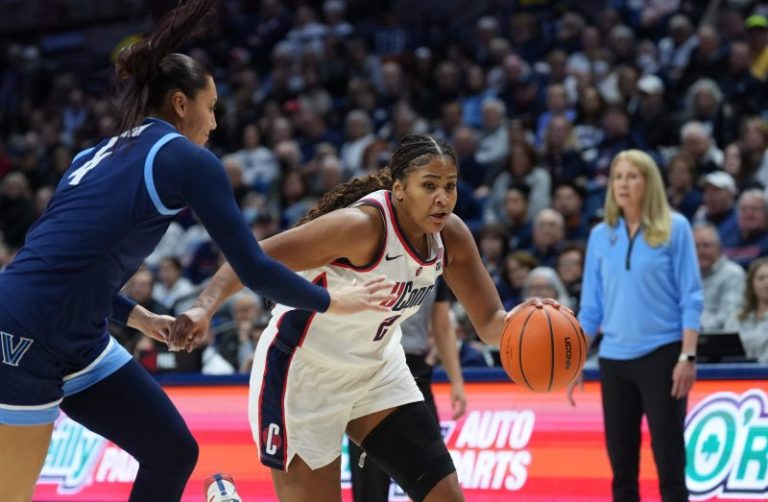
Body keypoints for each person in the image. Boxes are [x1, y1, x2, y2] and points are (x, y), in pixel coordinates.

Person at [0, 2, 389, 501]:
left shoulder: (92, 154)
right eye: (211, 107)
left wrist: (142, 318)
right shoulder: (185, 159)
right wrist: (335, 302)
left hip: (76, 333)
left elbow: (75, 267)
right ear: (181, 103)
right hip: (26, 331)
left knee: (171, 451)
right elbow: (254, 268)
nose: (215, 122)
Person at [170, 134, 562, 502]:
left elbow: (491, 323)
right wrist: (204, 306)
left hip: (377, 372)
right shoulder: (361, 227)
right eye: (429, 186)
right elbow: (252, 258)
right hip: (304, 377)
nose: (442, 198)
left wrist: (527, 320)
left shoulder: (451, 236)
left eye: (450, 186)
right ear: (399, 190)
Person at [567, 150, 703, 502]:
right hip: (614, 361)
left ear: (649, 182)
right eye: (617, 177)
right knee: (622, 469)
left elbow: (691, 297)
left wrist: (687, 355)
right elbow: (591, 309)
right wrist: (576, 359)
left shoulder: (676, 227)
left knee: (670, 463)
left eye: (632, 176)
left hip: (663, 356)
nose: (623, 184)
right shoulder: (600, 235)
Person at [348, 277, 467, 502]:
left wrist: (457, 381)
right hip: (371, 373)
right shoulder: (364, 259)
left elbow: (442, 327)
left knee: (434, 478)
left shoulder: (435, 264)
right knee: (370, 486)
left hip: (416, 371)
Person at [693, 222, 745, 332]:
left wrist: (692, 327)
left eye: (706, 246)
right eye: (696, 246)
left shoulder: (733, 273)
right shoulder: (685, 274)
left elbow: (729, 317)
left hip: (718, 338)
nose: (700, 251)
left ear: (719, 247)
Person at [725, 257, 768, 363]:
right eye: (761, 278)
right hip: (737, 371)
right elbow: (725, 352)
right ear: (751, 285)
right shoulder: (736, 318)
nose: (766, 283)